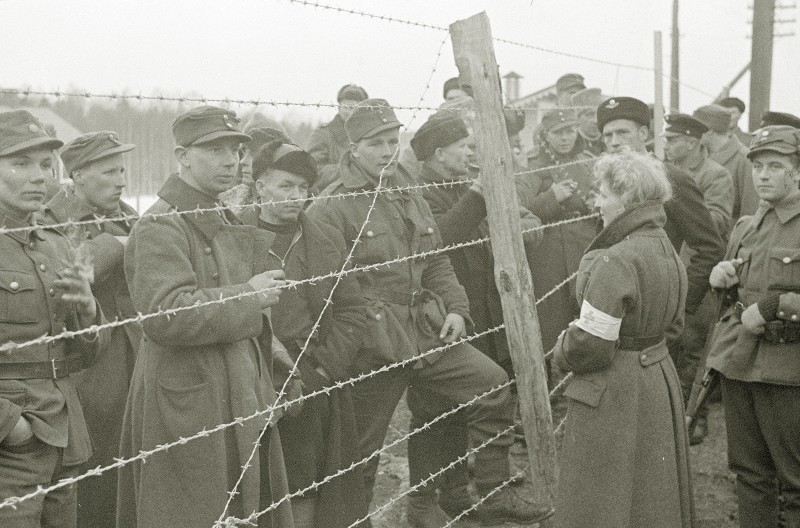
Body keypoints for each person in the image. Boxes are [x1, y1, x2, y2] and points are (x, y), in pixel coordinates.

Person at [306, 99, 552, 527]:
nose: (386, 151)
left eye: (391, 140)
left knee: (493, 386)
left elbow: (435, 258)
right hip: (373, 345)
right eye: (375, 143)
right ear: (353, 146)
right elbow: (335, 294)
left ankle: (491, 493)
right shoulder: (331, 207)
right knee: (359, 455)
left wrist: (456, 308)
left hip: (426, 331)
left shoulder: (406, 188)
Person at [116, 106, 293, 528]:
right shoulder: (161, 224)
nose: (231, 160)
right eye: (215, 149)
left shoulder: (217, 213)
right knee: (190, 509)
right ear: (183, 155)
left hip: (233, 389)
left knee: (240, 504)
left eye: (236, 149)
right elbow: (164, 314)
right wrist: (249, 296)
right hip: (185, 396)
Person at [406, 111, 544, 522]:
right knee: (435, 410)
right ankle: (429, 498)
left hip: (471, 310)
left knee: (466, 405)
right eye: (464, 147)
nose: (470, 153)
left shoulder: (455, 188)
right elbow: (438, 240)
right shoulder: (421, 193)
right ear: (436, 153)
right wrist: (478, 197)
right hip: (438, 316)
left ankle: (452, 490)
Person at [554, 149, 694, 528]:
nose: (596, 202)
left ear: (626, 198)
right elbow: (675, 328)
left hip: (613, 390)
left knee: (601, 500)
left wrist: (561, 352)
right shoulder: (667, 248)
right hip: (657, 379)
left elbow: (592, 346)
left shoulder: (616, 258)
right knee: (651, 496)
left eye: (602, 193)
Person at [240, 138, 369, 528]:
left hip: (309, 377)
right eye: (285, 186)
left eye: (302, 188)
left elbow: (351, 310)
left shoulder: (322, 239)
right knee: (247, 482)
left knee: (305, 480)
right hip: (248, 376)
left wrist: (322, 371)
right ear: (260, 186)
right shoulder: (232, 236)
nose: (296, 197)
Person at [0, 110, 108, 528]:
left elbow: (87, 352)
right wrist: (12, 426)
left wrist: (87, 310)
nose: (38, 177)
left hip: (63, 436)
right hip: (12, 448)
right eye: (20, 163)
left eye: (46, 165)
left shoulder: (54, 243)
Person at [41, 130, 141, 527]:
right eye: (108, 171)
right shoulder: (53, 217)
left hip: (132, 358)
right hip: (86, 370)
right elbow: (70, 274)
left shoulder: (127, 216)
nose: (120, 180)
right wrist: (118, 243)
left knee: (125, 469)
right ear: (77, 174)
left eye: (122, 170)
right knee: (88, 477)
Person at [705, 125, 800, 528]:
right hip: (741, 363)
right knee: (749, 473)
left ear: (797, 171)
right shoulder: (746, 225)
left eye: (775, 166)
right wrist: (722, 277)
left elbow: (771, 301)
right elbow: (734, 301)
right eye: (758, 166)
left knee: (795, 479)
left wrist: (778, 305)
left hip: (789, 371)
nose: (763, 174)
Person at [596, 96, 725, 329]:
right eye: (608, 135)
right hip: (615, 304)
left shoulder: (669, 179)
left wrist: (679, 303)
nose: (614, 142)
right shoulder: (608, 181)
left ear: (644, 134)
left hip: (657, 313)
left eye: (623, 133)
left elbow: (710, 246)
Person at [516, 108, 596, 355]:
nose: (565, 138)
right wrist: (552, 197)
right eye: (558, 133)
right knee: (552, 321)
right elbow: (518, 209)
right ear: (545, 136)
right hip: (549, 256)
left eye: (570, 131)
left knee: (589, 316)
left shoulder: (588, 160)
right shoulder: (532, 166)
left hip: (586, 248)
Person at [663, 113, 733, 238]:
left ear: (691, 143)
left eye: (671, 141)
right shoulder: (666, 170)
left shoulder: (716, 175)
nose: (665, 146)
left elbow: (718, 222)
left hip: (696, 250)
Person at [695, 104, 759, 221]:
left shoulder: (744, 160)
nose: (692, 134)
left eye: (696, 128)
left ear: (709, 130)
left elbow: (750, 213)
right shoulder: (701, 155)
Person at [307, 84, 368, 194]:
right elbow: (312, 172)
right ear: (339, 107)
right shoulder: (323, 134)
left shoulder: (369, 136)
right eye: (348, 107)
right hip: (331, 197)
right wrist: (351, 169)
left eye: (358, 108)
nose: (352, 112)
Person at [570, 87, 606, 156]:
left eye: (599, 114)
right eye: (589, 115)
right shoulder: (571, 145)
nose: (596, 121)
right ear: (578, 118)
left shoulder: (609, 141)